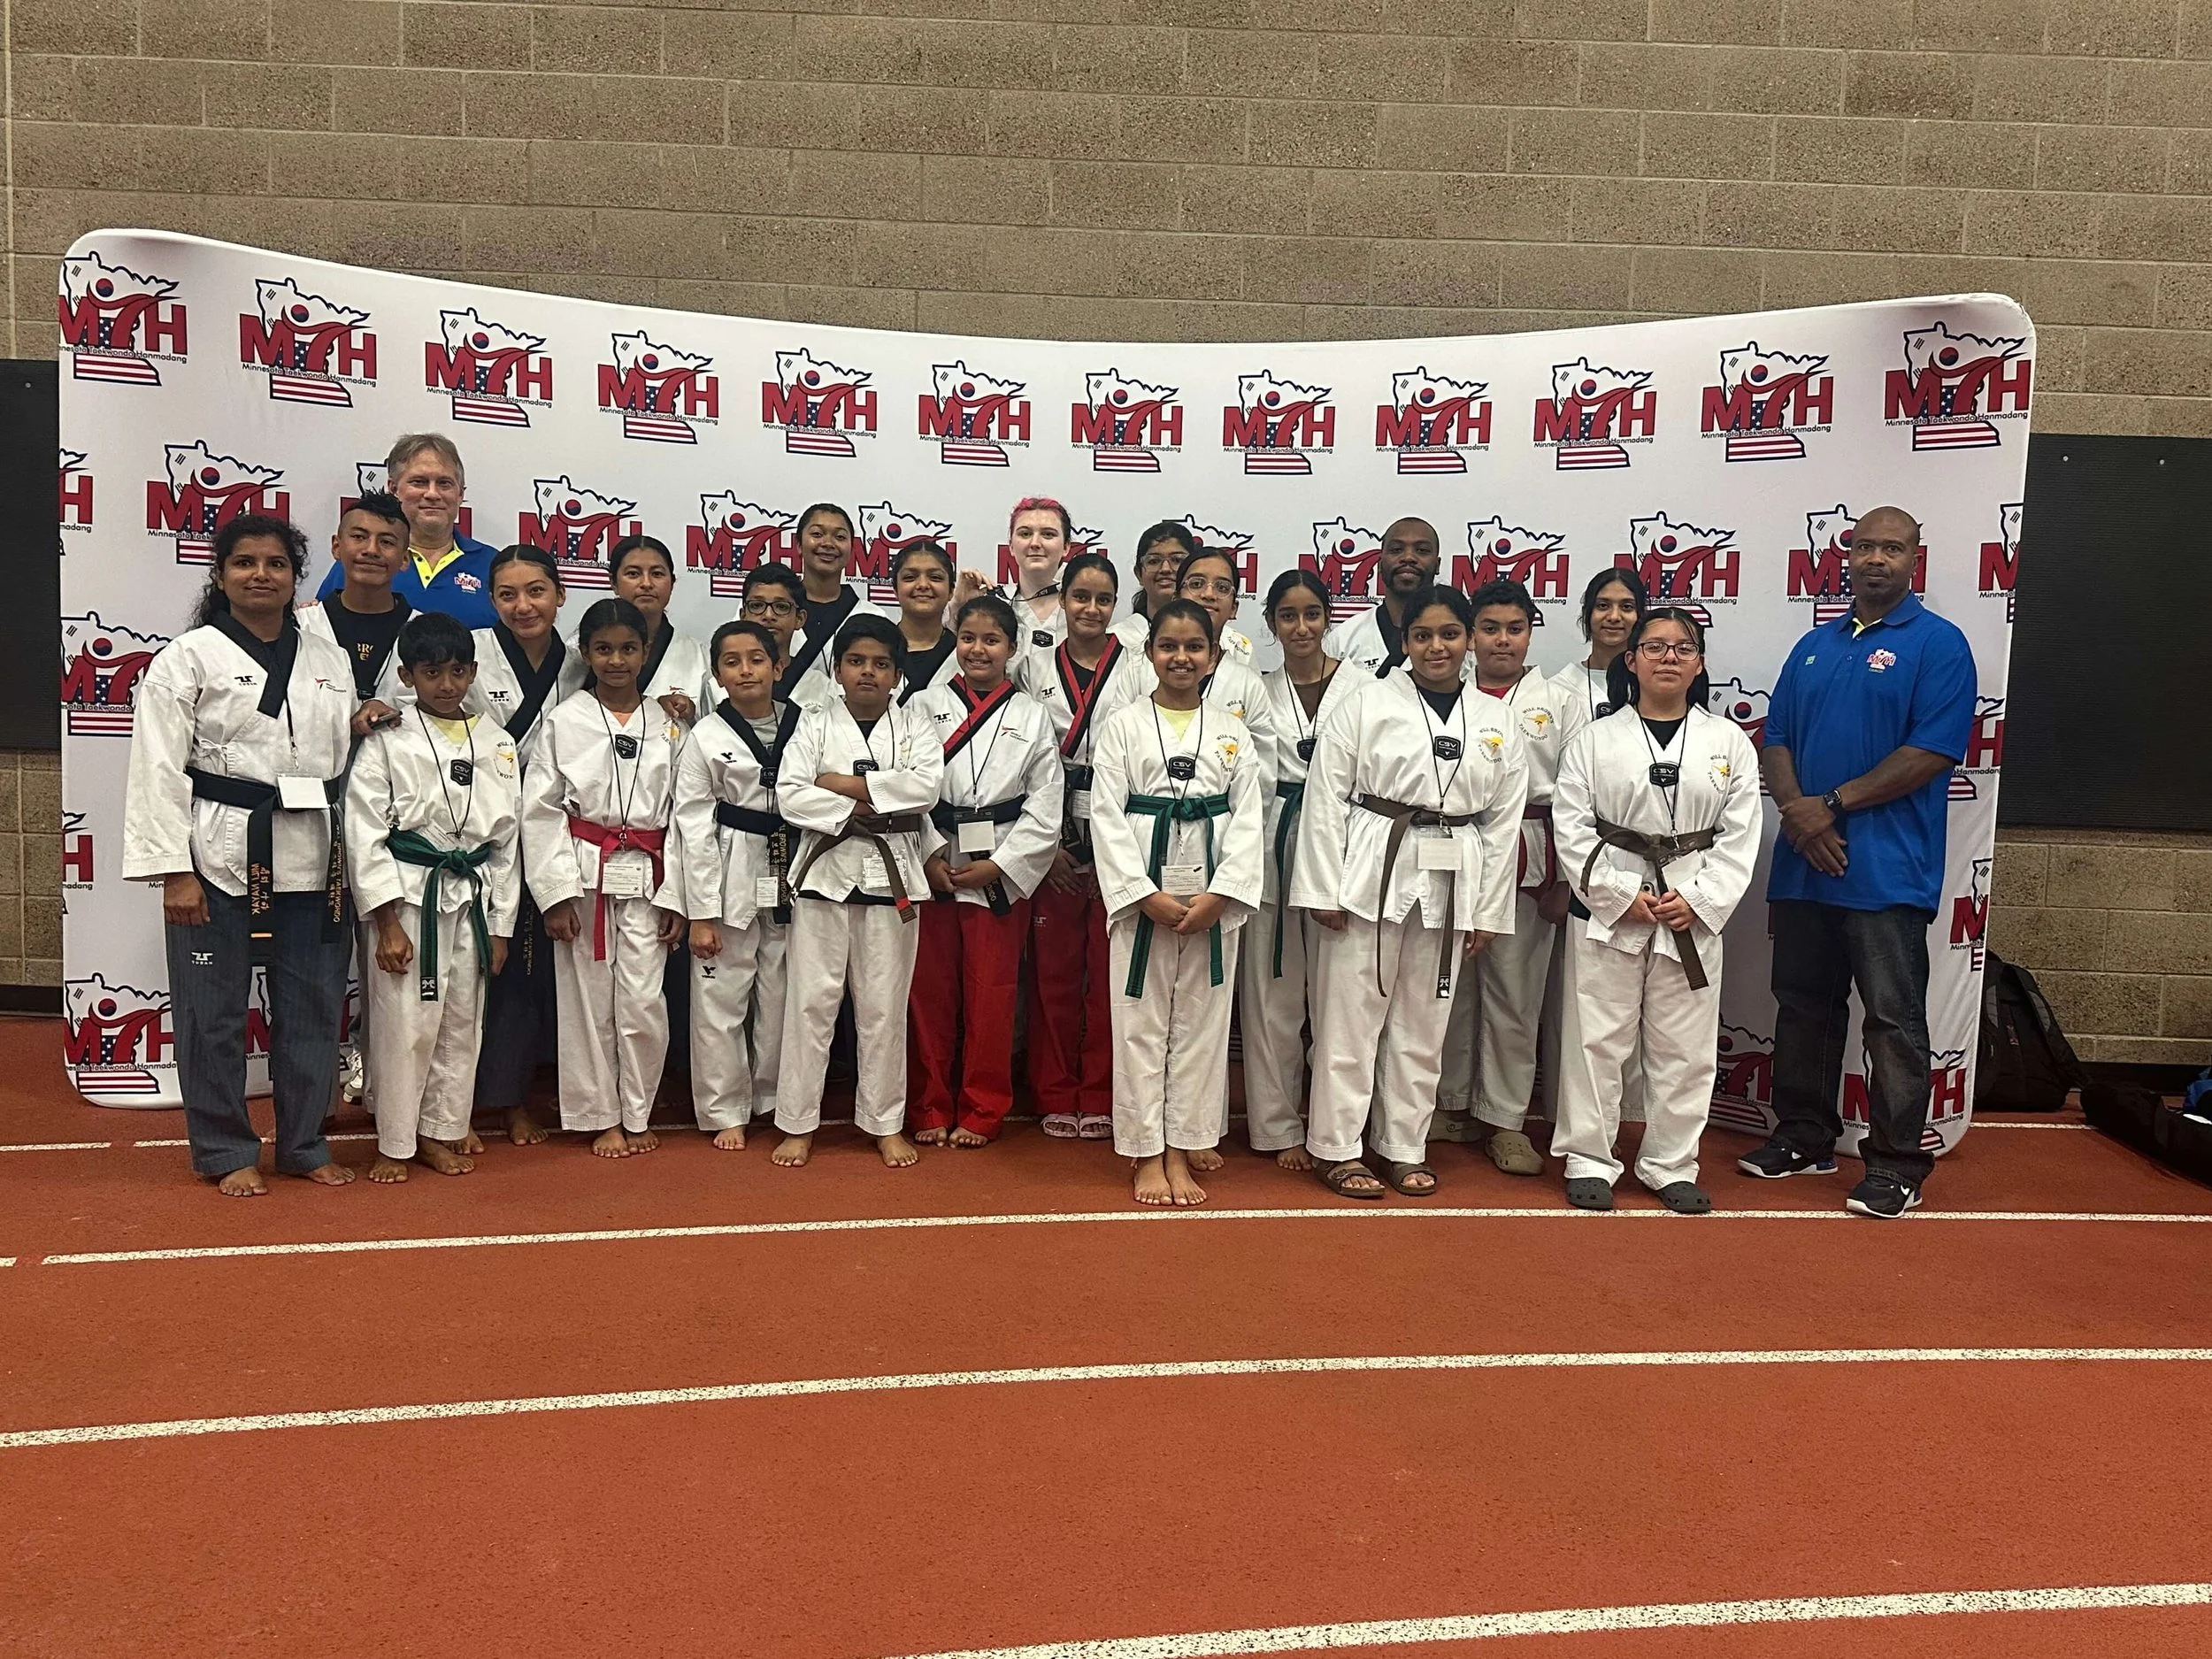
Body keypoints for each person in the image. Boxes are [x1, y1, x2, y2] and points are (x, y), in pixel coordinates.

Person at [1742, 506, 1978, 1219]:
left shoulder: (1940, 645)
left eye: (1892, 548)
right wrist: (1799, 813)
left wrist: (1830, 805)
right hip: (1806, 861)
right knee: (1804, 1009)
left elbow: (1930, 752)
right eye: (1865, 546)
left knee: (1892, 1020)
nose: (1876, 558)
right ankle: (1805, 1134)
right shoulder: (1814, 645)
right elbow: (1775, 737)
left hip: (1887, 871)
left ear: (1915, 558)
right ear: (1846, 555)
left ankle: (1897, 1163)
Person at [123, 514, 357, 1196]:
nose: (262, 574)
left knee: (314, 1008)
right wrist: (174, 871)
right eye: (246, 562)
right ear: (221, 575)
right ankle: (226, 1148)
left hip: (314, 852)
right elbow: (158, 768)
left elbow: (333, 746)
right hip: (218, 852)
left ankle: (305, 1142)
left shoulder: (326, 653)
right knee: (212, 1013)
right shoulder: (187, 657)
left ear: (295, 577)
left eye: (277, 563)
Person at [1293, 585, 1526, 1200]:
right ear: (1405, 642)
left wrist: (1489, 909)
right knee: (1350, 1018)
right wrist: (1323, 887)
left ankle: (1403, 1145)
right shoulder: (1364, 705)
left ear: (1469, 638)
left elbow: (1503, 824)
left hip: (1454, 874)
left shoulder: (1498, 720)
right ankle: (1336, 1146)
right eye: (1423, 635)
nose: (1437, 647)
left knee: (1425, 1025)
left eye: (1450, 634)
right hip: (1371, 865)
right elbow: (1325, 798)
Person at [1552, 607, 1761, 1213]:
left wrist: (1698, 899)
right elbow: (1571, 826)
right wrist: (1620, 895)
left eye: (1682, 648)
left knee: (1685, 1047)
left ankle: (1671, 1162)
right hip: (1613, 907)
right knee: (1596, 1039)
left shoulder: (1728, 743)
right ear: (1632, 660)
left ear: (1698, 665)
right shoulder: (1593, 739)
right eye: (1656, 646)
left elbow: (1741, 832)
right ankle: (1589, 1157)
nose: (1669, 656)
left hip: (1688, 909)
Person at [1090, 600, 1263, 1208]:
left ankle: (1181, 1147)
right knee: (1139, 1022)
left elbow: (1248, 819)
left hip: (1212, 892)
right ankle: (1143, 1150)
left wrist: (1221, 894)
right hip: (1145, 891)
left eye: (1195, 646)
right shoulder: (1121, 724)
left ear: (1214, 656)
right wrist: (1142, 893)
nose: (1181, 657)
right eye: (1169, 645)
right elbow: (1106, 816)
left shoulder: (1232, 729)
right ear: (1149, 653)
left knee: (1202, 1026)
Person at [346, 613, 521, 1183]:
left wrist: (500, 926)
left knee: (461, 1023)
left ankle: (441, 1132)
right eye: (430, 672)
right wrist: (386, 922)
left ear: (472, 671)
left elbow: (508, 843)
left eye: (456, 671)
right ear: (407, 674)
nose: (445, 684)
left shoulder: (497, 741)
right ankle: (394, 1142)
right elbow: (365, 830)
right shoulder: (389, 738)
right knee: (406, 1024)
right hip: (409, 897)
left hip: (470, 896)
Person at [773, 613, 944, 1170]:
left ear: (897, 674)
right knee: (811, 1004)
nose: (867, 672)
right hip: (826, 876)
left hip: (892, 874)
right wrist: (866, 803)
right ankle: (798, 1123)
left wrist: (843, 785)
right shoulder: (816, 721)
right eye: (856, 661)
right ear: (838, 668)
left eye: (880, 664)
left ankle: (884, 1122)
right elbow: (791, 796)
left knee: (884, 1008)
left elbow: (925, 788)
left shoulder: (915, 724)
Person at [519, 597, 687, 1158]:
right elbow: (540, 810)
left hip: (648, 870)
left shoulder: (672, 723)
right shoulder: (564, 720)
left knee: (643, 1000)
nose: (616, 660)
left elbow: (688, 813)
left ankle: (637, 1108)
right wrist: (556, 894)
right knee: (587, 1000)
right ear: (586, 654)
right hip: (584, 869)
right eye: (604, 649)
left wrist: (679, 896)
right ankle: (600, 1115)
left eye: (628, 649)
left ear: (645, 652)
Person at [907, 595, 1064, 1145]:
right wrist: (927, 854)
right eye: (968, 638)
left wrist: (1001, 865)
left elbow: (1046, 802)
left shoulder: (1031, 715)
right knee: (928, 993)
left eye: (991, 640)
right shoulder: (923, 706)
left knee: (993, 994)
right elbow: (906, 787)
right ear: (956, 643)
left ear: (1012, 649)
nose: (978, 649)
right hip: (935, 862)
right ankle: (928, 1104)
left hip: (998, 864)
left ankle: (982, 1107)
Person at [1433, 580, 1571, 1174]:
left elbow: (1576, 794)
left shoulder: (1558, 699)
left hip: (1530, 855)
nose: (1502, 640)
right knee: (1451, 987)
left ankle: (1506, 1118)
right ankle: (1451, 1103)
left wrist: (1565, 874)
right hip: (1455, 848)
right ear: (1469, 637)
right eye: (1489, 628)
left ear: (1530, 632)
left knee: (1515, 995)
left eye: (1514, 628)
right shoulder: (1446, 697)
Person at [1014, 550, 1139, 1139]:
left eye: (1103, 599)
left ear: (1116, 606)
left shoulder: (1136, 666)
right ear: (1061, 601)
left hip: (1119, 826)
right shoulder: (1032, 667)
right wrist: (1048, 846)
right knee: (1055, 973)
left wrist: (1116, 850)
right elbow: (1021, 759)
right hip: (1051, 824)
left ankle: (1103, 1090)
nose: (1091, 608)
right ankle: (1056, 1088)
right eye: (1080, 597)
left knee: (1109, 972)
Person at [466, 545, 585, 1146]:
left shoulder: (585, 662)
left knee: (546, 971)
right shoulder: (472, 654)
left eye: (536, 590)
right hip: (482, 828)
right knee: (493, 965)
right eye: (507, 594)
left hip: (556, 828)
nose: (523, 605)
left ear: (560, 594)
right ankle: (484, 1097)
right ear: (491, 600)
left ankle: (530, 1093)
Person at [1240, 570, 1356, 1170]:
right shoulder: (1258, 689)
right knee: (1271, 990)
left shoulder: (1364, 687)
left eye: (1312, 613)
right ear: (1272, 625)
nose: (1302, 626)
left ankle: (1339, 1124)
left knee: (1340, 992)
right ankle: (1277, 1124)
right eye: (1288, 616)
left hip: (1344, 841)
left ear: (1328, 616)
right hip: (1274, 833)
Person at [672, 620, 796, 1148]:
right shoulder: (705, 735)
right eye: (731, 662)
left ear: (778, 665)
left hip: (793, 862)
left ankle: (771, 1097)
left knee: (783, 990)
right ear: (717, 673)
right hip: (728, 865)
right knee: (721, 995)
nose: (745, 670)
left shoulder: (806, 723)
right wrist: (700, 910)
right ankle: (725, 1108)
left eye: (756, 659)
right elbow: (692, 823)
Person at [315, 434, 500, 629]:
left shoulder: (493, 565)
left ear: (460, 494)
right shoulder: (362, 561)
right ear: (393, 489)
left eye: (444, 483)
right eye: (419, 482)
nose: (432, 494)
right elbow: (322, 633)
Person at [299, 490, 412, 727]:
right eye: (359, 537)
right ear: (337, 546)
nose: (371, 550)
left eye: (387, 542)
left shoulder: (424, 632)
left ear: (404, 559)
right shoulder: (300, 626)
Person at [607, 534, 714, 725]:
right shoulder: (583, 649)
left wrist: (687, 712)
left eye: (657, 574)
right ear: (614, 583)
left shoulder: (699, 656)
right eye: (633, 574)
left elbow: (714, 727)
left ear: (672, 584)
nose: (646, 583)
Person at [1325, 518, 1442, 678]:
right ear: (1379, 564)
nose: (1408, 557)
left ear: (1437, 565)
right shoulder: (1343, 640)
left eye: (1422, 550)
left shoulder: (1457, 641)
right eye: (1396, 549)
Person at [786, 503, 885, 687]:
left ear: (851, 549)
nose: (828, 544)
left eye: (839, 537)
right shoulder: (772, 609)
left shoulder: (872, 615)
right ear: (798, 544)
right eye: (817, 534)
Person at [1553, 567, 1647, 741]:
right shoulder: (1559, 688)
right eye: (1603, 606)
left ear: (1640, 615)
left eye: (1627, 607)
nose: (1613, 617)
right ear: (1587, 614)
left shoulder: (1652, 683)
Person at [741, 561, 834, 711]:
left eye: (781, 607)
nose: (768, 615)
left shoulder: (822, 687)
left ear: (800, 619)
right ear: (743, 616)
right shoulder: (720, 685)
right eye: (757, 605)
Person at [888, 539, 960, 703]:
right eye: (910, 577)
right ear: (895, 590)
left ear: (951, 591)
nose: (922, 585)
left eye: (935, 577)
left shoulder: (964, 655)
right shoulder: (876, 648)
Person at [1110, 521, 1197, 651]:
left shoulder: (1221, 639)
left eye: (1177, 560)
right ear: (1139, 574)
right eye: (1154, 561)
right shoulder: (1117, 639)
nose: (1165, 569)